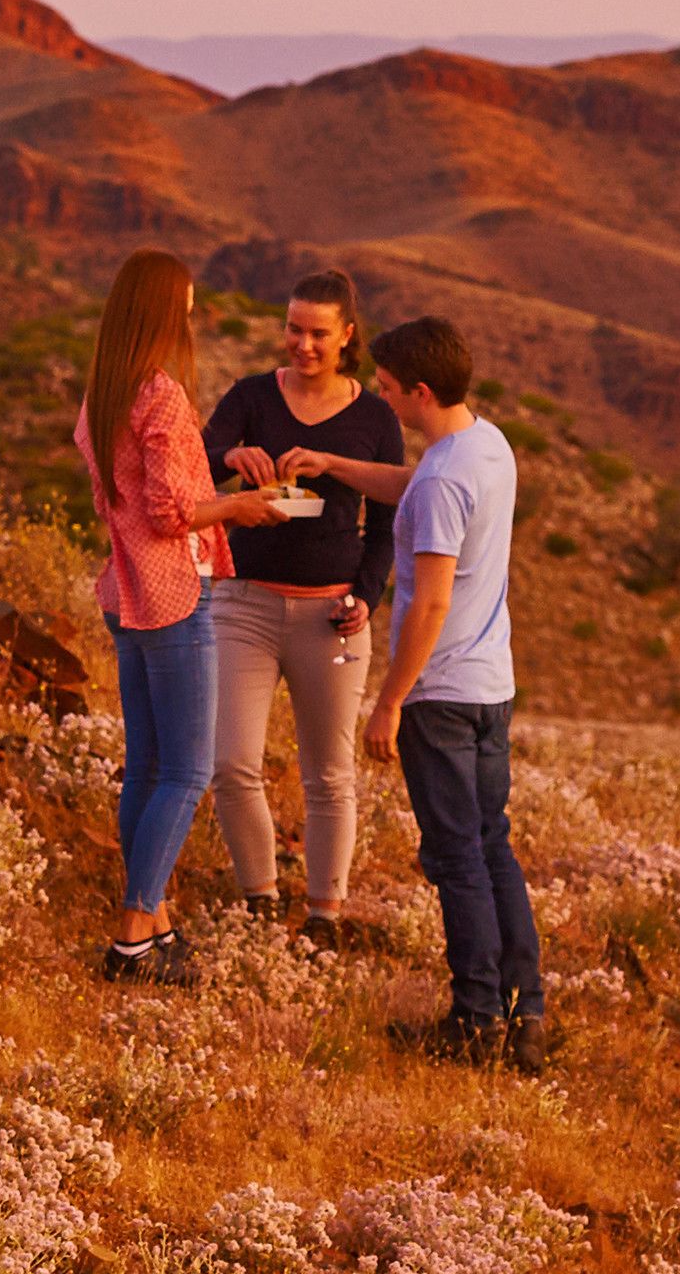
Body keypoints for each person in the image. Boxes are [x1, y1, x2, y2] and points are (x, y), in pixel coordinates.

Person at [75, 248, 286, 985]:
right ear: (166, 313)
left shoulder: (103, 391)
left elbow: (124, 503)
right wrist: (239, 505)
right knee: (191, 770)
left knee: (151, 766)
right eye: (187, 309)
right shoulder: (159, 393)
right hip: (172, 593)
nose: (190, 321)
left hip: (125, 591)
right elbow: (170, 510)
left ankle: (155, 918)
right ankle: (134, 927)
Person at [353, 315, 546, 1070]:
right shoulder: (484, 445)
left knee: (456, 856)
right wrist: (337, 465)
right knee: (492, 844)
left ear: (421, 390)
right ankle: (523, 1011)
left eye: (390, 386)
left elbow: (428, 601)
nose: (381, 394)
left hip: (441, 692)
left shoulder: (440, 477)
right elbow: (414, 489)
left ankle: (473, 1021)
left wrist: (390, 698)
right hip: (492, 685)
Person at [203, 270, 404, 945]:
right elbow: (195, 467)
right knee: (230, 761)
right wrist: (231, 454)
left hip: (330, 614)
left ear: (348, 335)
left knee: (329, 773)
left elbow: (386, 525)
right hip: (243, 604)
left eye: (318, 332)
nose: (303, 344)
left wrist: (366, 598)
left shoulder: (374, 417)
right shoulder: (252, 396)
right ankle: (259, 901)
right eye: (294, 328)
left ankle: (324, 917)